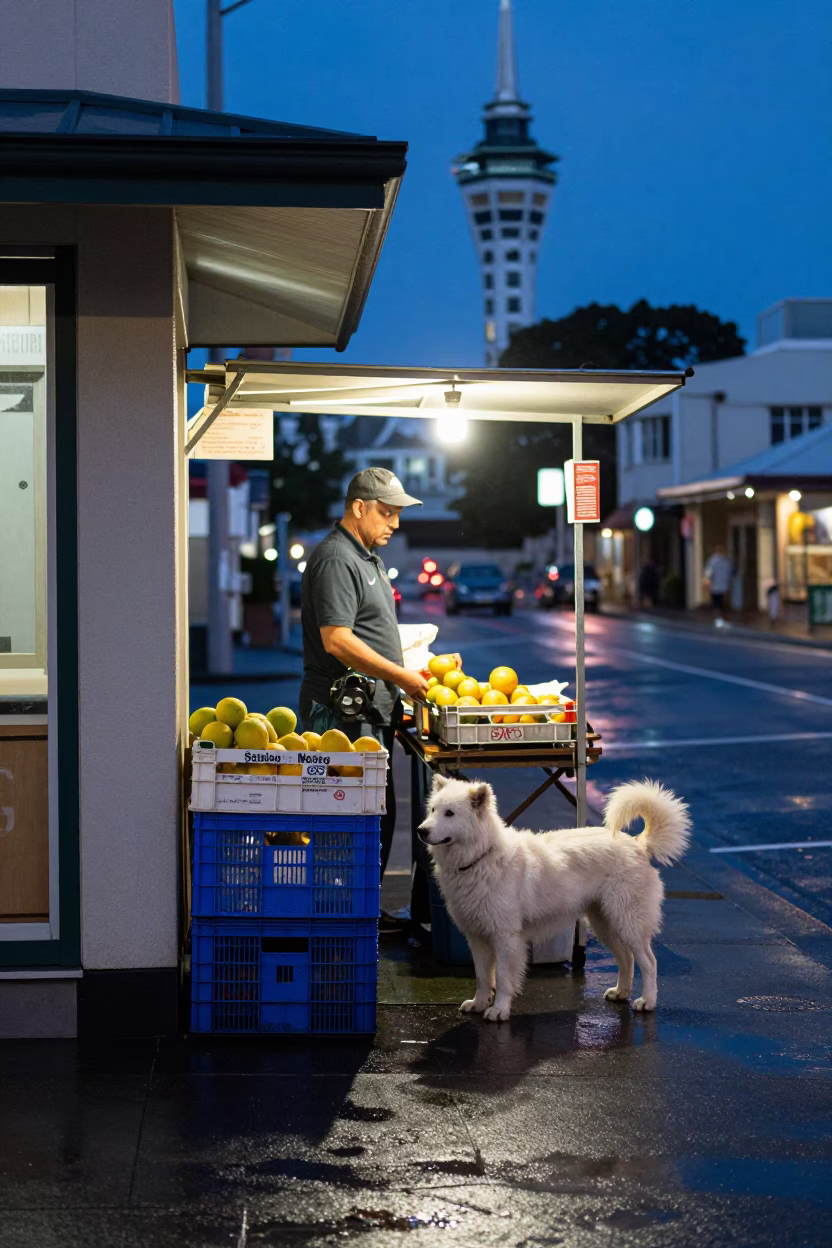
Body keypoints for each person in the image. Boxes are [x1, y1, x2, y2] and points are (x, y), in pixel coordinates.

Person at [299, 468, 431, 907]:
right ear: (359, 508)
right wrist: (400, 676)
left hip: (370, 715)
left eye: (398, 514)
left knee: (376, 816)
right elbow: (336, 638)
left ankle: (362, 915)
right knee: (348, 821)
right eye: (387, 512)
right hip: (343, 716)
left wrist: (410, 658)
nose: (395, 523)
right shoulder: (337, 559)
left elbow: (368, 631)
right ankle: (341, 921)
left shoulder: (365, 557)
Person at [704, 545, 733, 618]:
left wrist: (707, 581)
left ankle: (717, 613)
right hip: (723, 583)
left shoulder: (712, 561)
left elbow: (708, 572)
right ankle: (720, 612)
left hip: (715, 583)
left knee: (715, 599)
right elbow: (730, 571)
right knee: (721, 599)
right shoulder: (726, 561)